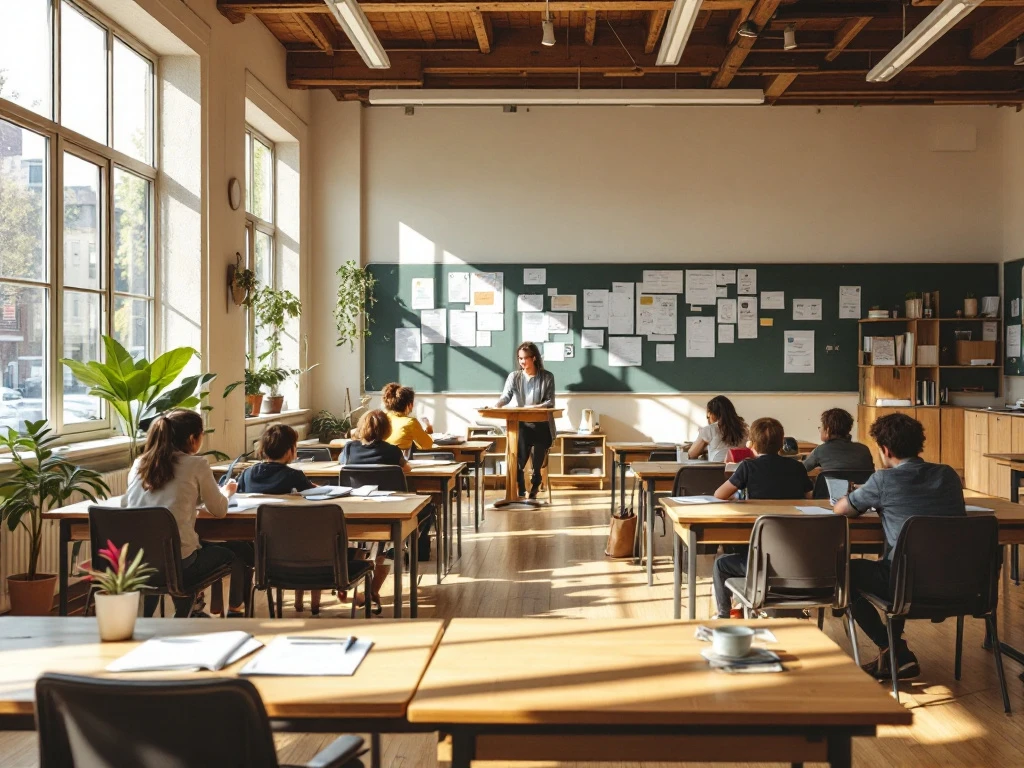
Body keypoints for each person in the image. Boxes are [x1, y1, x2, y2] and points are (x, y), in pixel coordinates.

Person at [833, 413, 965, 682]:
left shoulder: (883, 480)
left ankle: (892, 648)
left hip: (904, 583)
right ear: (920, 444)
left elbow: (841, 509)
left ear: (885, 450)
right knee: (900, 563)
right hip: (956, 583)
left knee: (843, 571)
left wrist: (858, 493)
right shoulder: (948, 476)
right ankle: (893, 655)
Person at [121, 409, 248, 618]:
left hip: (139, 562)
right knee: (232, 552)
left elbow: (129, 504)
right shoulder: (196, 464)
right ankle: (188, 614)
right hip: (180, 564)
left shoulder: (139, 464)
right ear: (192, 438)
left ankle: (147, 621)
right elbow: (219, 510)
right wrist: (226, 492)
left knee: (163, 561)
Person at [710, 417, 814, 619]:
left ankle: (724, 615)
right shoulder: (798, 468)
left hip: (762, 561)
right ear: (782, 442)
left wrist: (740, 498)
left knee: (721, 564)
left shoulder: (748, 467)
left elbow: (719, 495)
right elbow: (810, 500)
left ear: (752, 444)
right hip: (797, 559)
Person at [237, 425, 321, 615]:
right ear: (291, 449)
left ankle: (236, 605)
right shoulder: (294, 476)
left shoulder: (247, 474)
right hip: (293, 549)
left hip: (258, 552)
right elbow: (314, 492)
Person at [341, 409, 434, 564]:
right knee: (428, 506)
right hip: (392, 508)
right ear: (387, 430)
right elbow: (407, 469)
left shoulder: (349, 448)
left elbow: (342, 464)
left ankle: (368, 553)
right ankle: (405, 544)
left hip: (356, 506)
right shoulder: (392, 451)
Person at [494, 342, 556, 500]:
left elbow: (550, 402)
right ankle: (520, 486)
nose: (522, 362)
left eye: (525, 358)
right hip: (521, 424)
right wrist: (498, 404)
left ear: (534, 358)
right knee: (517, 457)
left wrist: (534, 408)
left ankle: (535, 484)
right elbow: (506, 396)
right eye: (519, 358)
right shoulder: (514, 376)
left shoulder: (547, 376)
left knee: (538, 454)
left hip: (541, 424)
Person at [803, 408, 874, 472]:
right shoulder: (864, 449)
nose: (820, 430)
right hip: (860, 486)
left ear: (828, 429)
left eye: (820, 427)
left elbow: (801, 469)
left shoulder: (820, 450)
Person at [688, 395, 748, 462]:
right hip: (738, 471)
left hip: (717, 471)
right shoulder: (744, 429)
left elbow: (691, 454)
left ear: (712, 414)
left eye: (708, 416)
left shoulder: (710, 430)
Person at [381, 382, 434, 453]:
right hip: (398, 462)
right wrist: (429, 432)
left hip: (377, 460)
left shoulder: (381, 419)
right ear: (409, 405)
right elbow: (427, 445)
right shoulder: (410, 422)